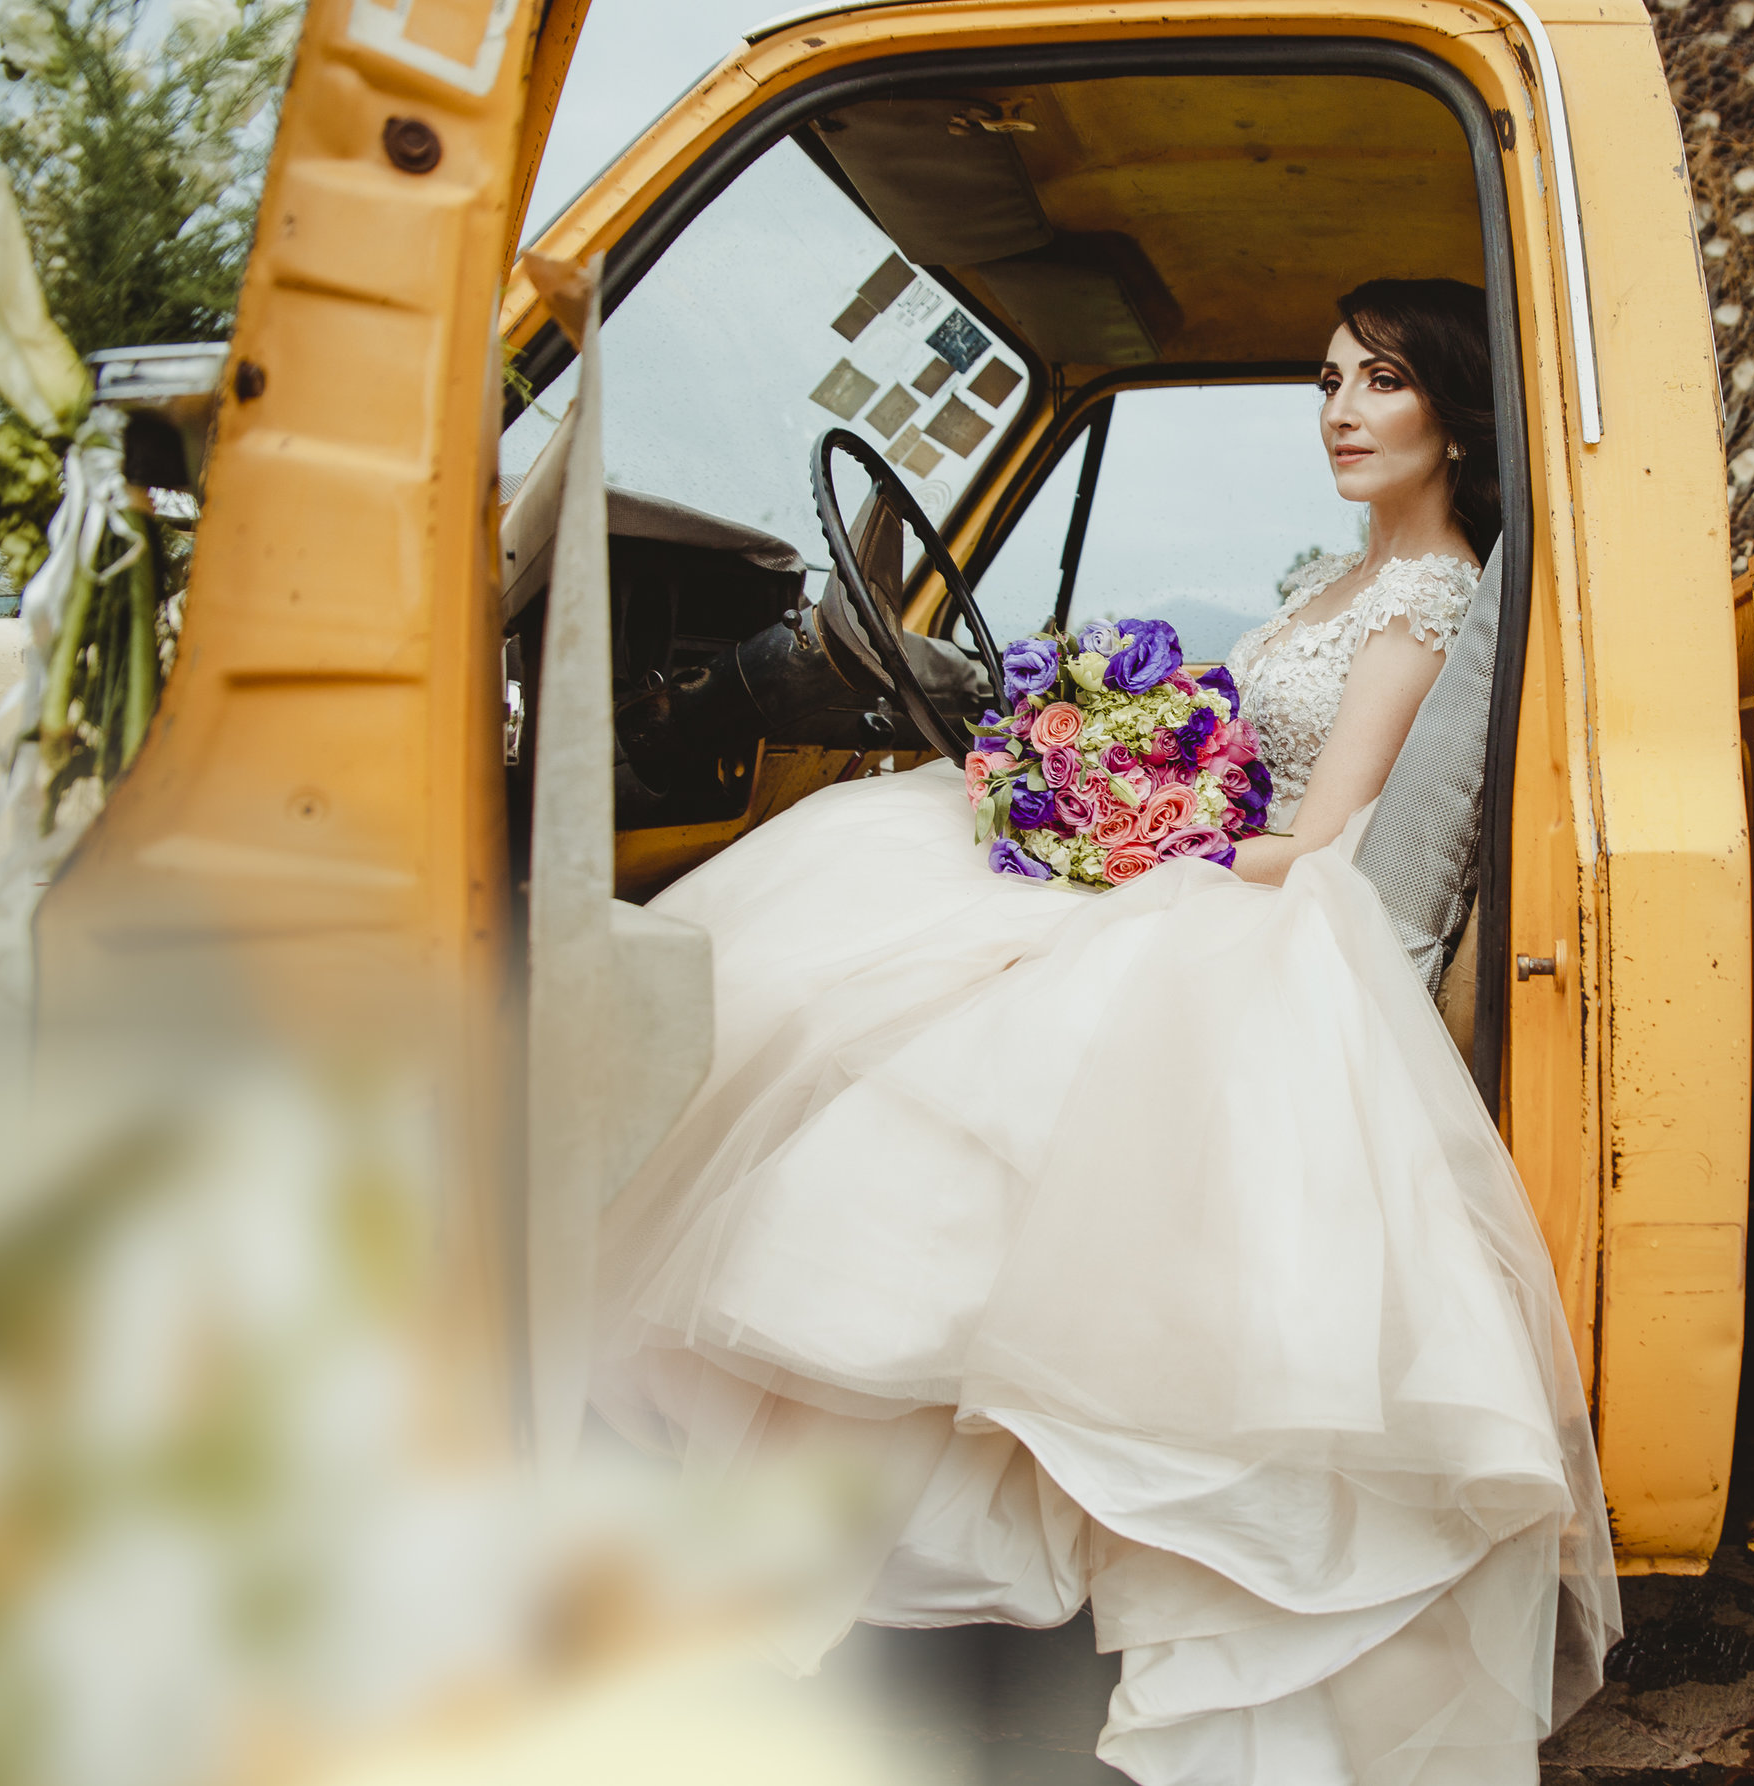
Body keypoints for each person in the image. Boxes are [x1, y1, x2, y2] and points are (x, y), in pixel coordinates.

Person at [592, 279, 1622, 1784]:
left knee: (938, 1041)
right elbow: (1247, 768)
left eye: (1380, 381)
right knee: (885, 905)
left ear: (1451, 414)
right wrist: (1102, 774)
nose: (1338, 408)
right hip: (1228, 875)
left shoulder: (1427, 594)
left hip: (1280, 910)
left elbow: (1322, 835)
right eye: (1329, 377)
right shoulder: (1348, 578)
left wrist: (1130, 833)